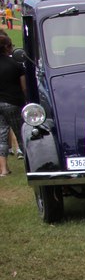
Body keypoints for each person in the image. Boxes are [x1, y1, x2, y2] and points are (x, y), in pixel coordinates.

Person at [0, 32, 26, 176]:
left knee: (1, 136)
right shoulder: (15, 65)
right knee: (21, 134)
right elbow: (24, 87)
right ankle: (30, 165)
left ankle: (4, 169)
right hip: (13, 103)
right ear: (6, 47)